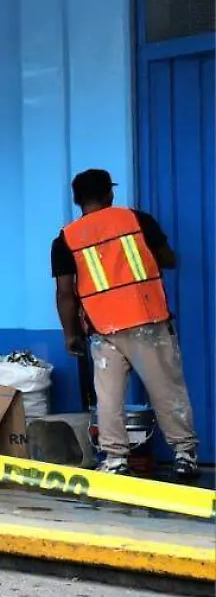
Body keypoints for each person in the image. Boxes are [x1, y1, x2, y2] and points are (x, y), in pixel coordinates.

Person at [52, 168, 200, 481]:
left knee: (108, 398)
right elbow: (168, 258)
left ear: (78, 200)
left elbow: (65, 294)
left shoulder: (66, 238)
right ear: (109, 194)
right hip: (148, 321)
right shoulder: (137, 220)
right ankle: (184, 455)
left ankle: (115, 458)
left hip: (103, 328)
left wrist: (70, 335)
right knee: (167, 389)